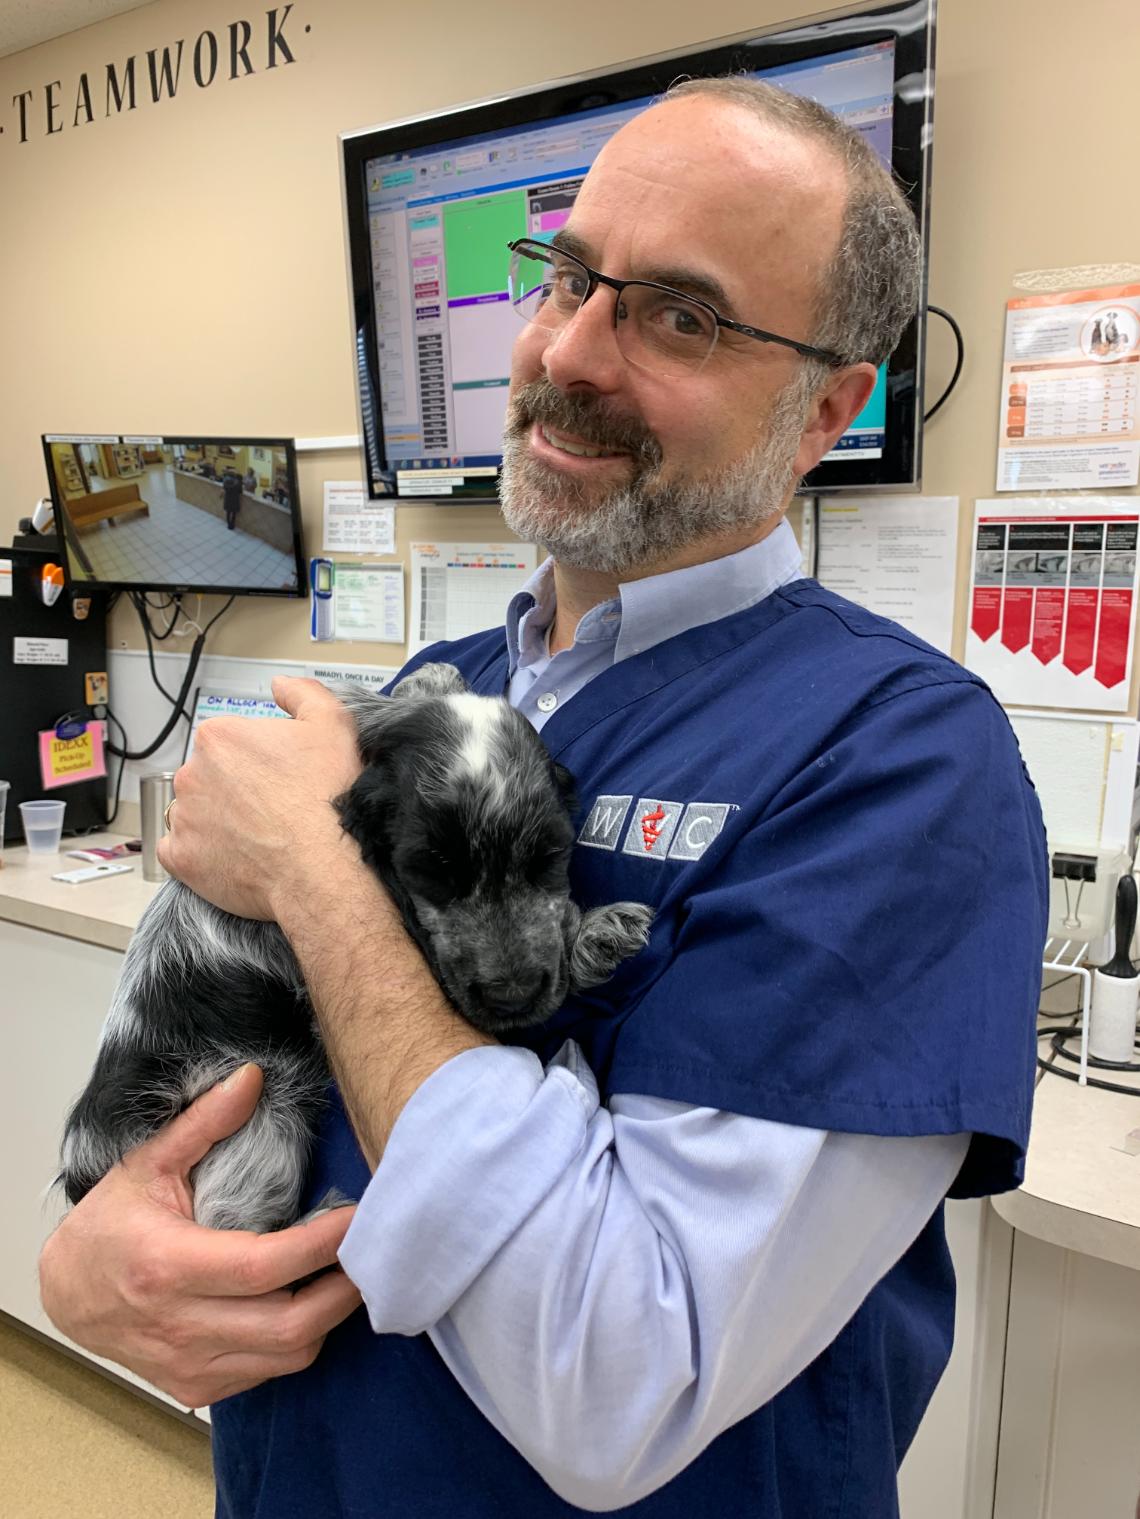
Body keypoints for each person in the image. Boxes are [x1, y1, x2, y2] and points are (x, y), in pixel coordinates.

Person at [38, 78, 1048, 1518]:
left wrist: (315, 873)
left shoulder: (898, 762)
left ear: (828, 408)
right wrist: (92, 1246)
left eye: (680, 316)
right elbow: (204, 1061)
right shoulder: (440, 690)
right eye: (570, 277)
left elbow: (615, 1383)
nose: (568, 351)